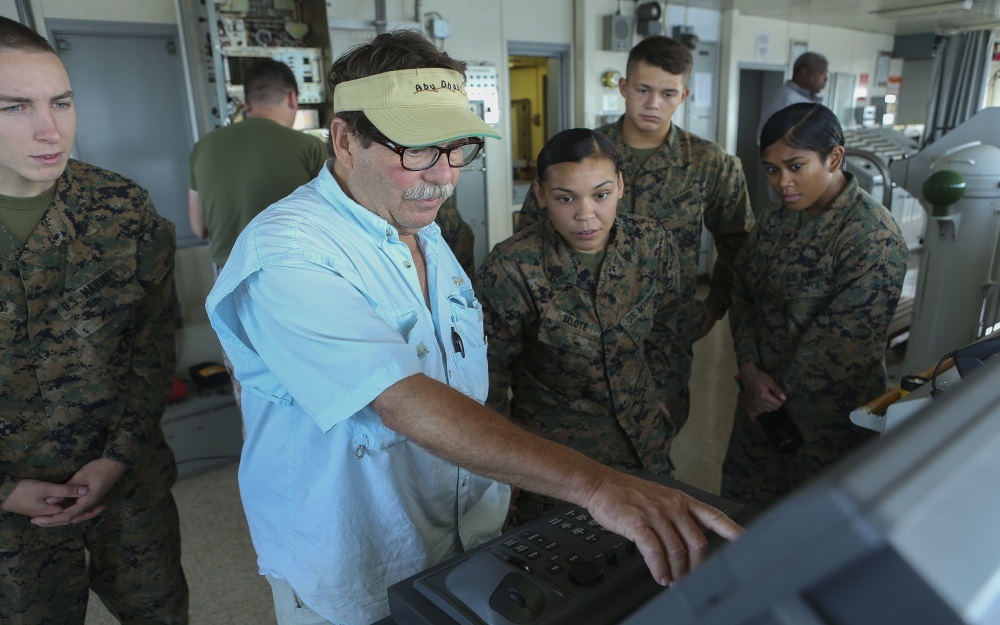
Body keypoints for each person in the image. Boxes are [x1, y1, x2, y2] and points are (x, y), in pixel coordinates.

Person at [206, 30, 742, 625]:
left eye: (457, 149)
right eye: (418, 150)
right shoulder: (289, 252)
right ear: (343, 139)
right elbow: (402, 402)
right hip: (360, 561)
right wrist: (594, 486)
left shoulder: (424, 233)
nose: (445, 177)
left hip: (460, 542)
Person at [0, 16, 188, 624]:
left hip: (126, 483)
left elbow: (154, 342)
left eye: (61, 101)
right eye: (14, 107)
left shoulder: (119, 206)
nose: (51, 129)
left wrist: (118, 455)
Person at [518, 35, 755, 442]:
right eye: (643, 90)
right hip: (579, 330)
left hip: (664, 332)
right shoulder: (582, 153)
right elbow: (531, 231)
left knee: (655, 438)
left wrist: (713, 307)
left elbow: (738, 243)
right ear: (624, 87)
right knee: (577, 443)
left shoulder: (709, 163)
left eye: (667, 93)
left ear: (683, 95)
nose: (653, 103)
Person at [478, 128, 684, 528]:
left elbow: (670, 329)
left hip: (642, 444)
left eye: (601, 195)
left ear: (621, 186)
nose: (586, 214)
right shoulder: (512, 267)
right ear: (540, 194)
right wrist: (504, 466)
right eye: (565, 198)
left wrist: (660, 392)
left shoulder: (651, 244)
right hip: (557, 462)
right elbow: (489, 375)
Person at [722, 103, 907, 510]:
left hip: (827, 423)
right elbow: (744, 294)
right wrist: (750, 370)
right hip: (759, 409)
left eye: (795, 166)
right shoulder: (775, 221)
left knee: (813, 533)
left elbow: (840, 351)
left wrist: (764, 394)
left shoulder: (871, 237)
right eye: (772, 169)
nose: (782, 182)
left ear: (834, 157)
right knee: (741, 517)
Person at [188, 58, 327, 270]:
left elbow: (199, 228)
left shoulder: (202, 147)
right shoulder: (310, 146)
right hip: (291, 272)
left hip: (227, 279)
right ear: (292, 98)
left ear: (246, 104)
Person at [756, 52, 828, 143]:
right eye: (821, 72)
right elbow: (766, 138)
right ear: (804, 72)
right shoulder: (784, 98)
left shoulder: (810, 100)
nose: (826, 78)